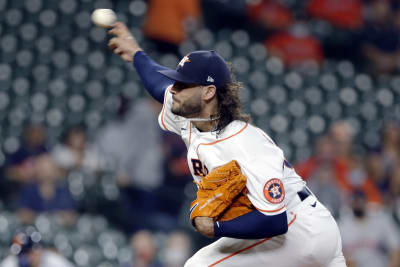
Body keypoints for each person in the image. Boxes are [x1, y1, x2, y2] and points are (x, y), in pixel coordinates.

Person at [108, 22, 346, 266]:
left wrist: (217, 226)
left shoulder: (245, 143)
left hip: (299, 228)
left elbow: (275, 221)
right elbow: (159, 86)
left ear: (209, 92)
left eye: (182, 84)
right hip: (314, 233)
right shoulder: (190, 116)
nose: (174, 90)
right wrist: (136, 54)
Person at [338, 190, 400, 267]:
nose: (358, 204)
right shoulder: (342, 226)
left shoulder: (381, 221)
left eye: (360, 201)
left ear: (366, 202)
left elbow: (396, 249)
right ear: (350, 204)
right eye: (355, 201)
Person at [0, 230, 75, 267]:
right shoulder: (12, 262)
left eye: (28, 253)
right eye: (22, 253)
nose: (25, 257)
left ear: (38, 251)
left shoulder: (53, 261)